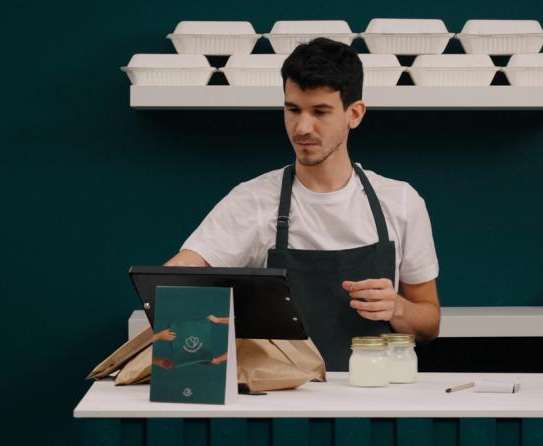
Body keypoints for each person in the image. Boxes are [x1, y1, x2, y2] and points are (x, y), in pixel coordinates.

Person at [165, 38, 440, 371]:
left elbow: (429, 324)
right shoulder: (252, 200)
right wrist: (181, 279)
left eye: (320, 112)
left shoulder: (400, 202)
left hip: (373, 395)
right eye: (293, 109)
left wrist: (396, 307)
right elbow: (182, 273)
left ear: (355, 114)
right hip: (280, 399)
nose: (302, 127)